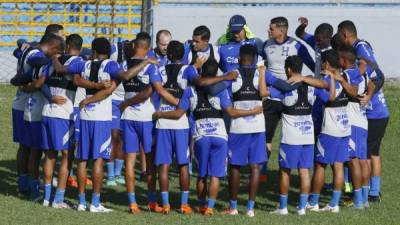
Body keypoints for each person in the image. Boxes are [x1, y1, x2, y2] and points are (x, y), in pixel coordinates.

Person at [153, 59, 262, 216]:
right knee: (216, 175)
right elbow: (231, 112)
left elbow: (178, 113)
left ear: (202, 73)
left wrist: (160, 114)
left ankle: (202, 205)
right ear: (216, 73)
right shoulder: (222, 90)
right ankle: (210, 207)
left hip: (201, 135)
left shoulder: (190, 90)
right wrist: (253, 111)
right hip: (219, 135)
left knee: (202, 175)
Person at [64, 37, 154, 213]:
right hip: (102, 117)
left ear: (94, 51)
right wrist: (146, 62)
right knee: (99, 159)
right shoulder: (111, 66)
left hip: (84, 115)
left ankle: (81, 202)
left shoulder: (84, 64)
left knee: (82, 159)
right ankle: (95, 203)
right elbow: (126, 76)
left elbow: (71, 76)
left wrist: (54, 57)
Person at [337, 20, 389, 202]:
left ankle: (370, 193)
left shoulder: (361, 48)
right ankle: (359, 190)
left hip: (375, 111)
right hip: (373, 112)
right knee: (367, 153)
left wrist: (368, 94)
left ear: (344, 35)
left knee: (367, 154)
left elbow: (378, 75)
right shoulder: (360, 48)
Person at [261, 17, 315, 179]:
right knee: (266, 135)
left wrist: (306, 80)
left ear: (282, 30)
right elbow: (261, 67)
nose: (268, 31)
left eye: (271, 28)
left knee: (293, 135)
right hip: (272, 98)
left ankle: (297, 169)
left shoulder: (296, 46)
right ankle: (263, 171)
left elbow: (313, 67)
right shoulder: (266, 45)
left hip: (291, 97)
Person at [223, 44, 268, 217]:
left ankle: (233, 207)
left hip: (238, 128)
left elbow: (217, 88)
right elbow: (280, 87)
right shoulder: (262, 74)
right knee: (255, 167)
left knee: (235, 167)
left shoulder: (232, 75)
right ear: (256, 58)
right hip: (258, 127)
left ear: (239, 58)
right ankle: (250, 208)